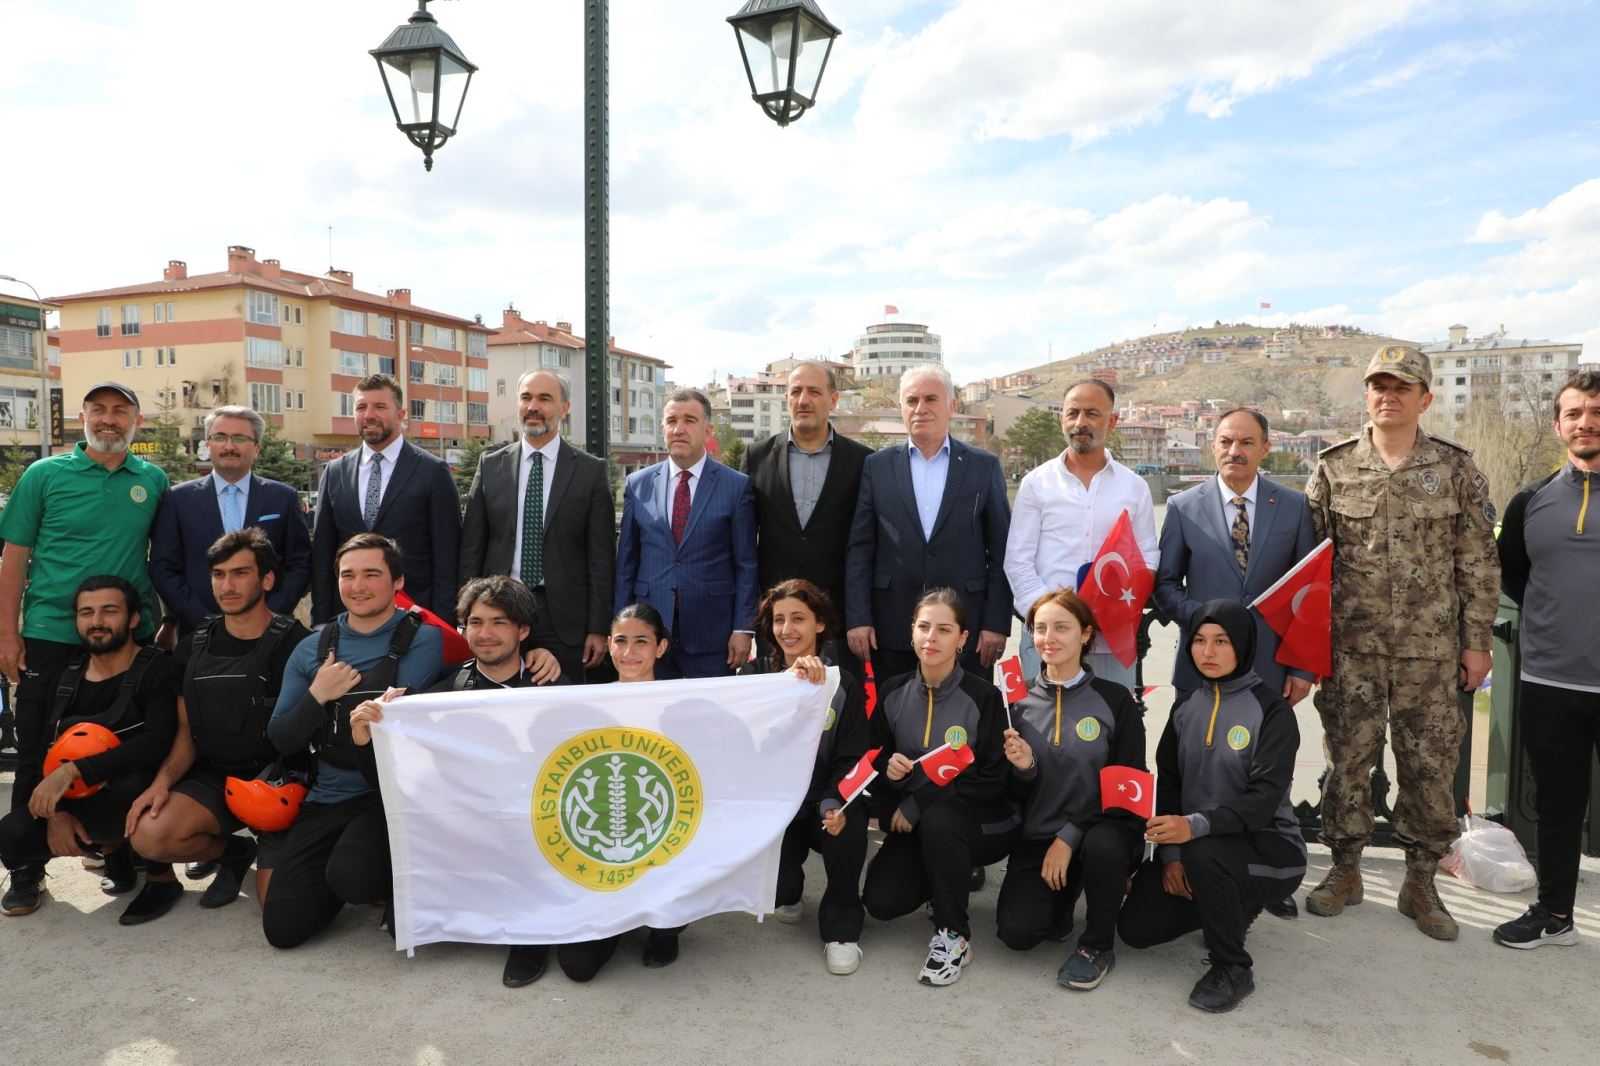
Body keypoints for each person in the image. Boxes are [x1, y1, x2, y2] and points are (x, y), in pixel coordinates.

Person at [1304, 345, 1500, 939]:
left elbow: (1478, 562)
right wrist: (1310, 647)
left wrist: (1477, 642)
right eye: (1378, 385)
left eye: (1402, 387)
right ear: (1366, 395)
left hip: (1432, 652)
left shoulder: (1455, 469)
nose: (1388, 394)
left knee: (1430, 766)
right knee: (1347, 762)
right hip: (1351, 651)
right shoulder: (1333, 468)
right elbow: (1310, 567)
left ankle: (1421, 881)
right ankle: (1346, 868)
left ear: (1425, 398)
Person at [348, 575, 571, 985]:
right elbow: (398, 781)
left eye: (499, 622)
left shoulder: (555, 685)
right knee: (383, 906)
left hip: (539, 824)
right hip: (470, 827)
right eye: (475, 622)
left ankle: (530, 936)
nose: (485, 634)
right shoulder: (440, 694)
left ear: (523, 630)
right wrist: (367, 738)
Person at [0, 382, 169, 916]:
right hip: (52, 635)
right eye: (99, 409)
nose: (110, 419)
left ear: (136, 420)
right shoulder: (44, 475)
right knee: (36, 752)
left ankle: (118, 850)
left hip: (128, 638)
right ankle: (27, 868)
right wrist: (8, 633)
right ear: (82, 417)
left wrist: (161, 625)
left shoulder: (154, 480)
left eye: (120, 410)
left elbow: (161, 558)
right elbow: (14, 558)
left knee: (123, 747)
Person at [1117, 600, 1306, 1013]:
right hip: (1198, 847)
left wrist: (1191, 831)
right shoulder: (1186, 706)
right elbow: (1168, 784)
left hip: (1271, 851)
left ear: (1242, 644)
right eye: (1199, 641)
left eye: (1221, 641)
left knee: (1206, 854)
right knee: (1136, 928)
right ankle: (1231, 906)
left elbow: (1260, 804)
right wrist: (1169, 857)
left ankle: (1233, 968)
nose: (1208, 652)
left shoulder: (1272, 711)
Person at [260, 533, 443, 949]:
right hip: (327, 795)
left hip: (388, 796)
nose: (358, 586)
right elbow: (283, 737)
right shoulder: (311, 649)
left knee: (354, 877)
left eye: (371, 574)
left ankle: (393, 879)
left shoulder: (424, 639)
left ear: (398, 581)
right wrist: (317, 695)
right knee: (283, 929)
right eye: (348, 575)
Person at [124, 529, 311, 917]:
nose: (227, 585)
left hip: (279, 786)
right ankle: (235, 851)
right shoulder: (194, 643)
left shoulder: (298, 643)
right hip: (216, 780)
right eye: (219, 574)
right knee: (150, 836)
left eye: (240, 573)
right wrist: (161, 785)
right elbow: (184, 731)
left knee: (281, 907)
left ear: (268, 579)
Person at [860, 588, 1018, 987]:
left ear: (962, 638)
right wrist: (886, 766)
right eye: (924, 627)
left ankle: (954, 937)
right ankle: (945, 876)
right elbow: (871, 757)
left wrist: (920, 803)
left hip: (981, 822)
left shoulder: (984, 697)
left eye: (944, 629)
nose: (932, 638)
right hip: (921, 824)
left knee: (942, 820)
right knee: (881, 902)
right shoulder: (893, 691)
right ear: (911, 632)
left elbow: (994, 778)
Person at [1491, 369, 1600, 949]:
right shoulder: (1531, 499)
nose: (1586, 423)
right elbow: (1517, 574)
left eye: (1597, 412)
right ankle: (1555, 914)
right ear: (1559, 424)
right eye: (1575, 413)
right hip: (1550, 680)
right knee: (1557, 808)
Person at [0, 577, 179, 922]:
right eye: (86, 613)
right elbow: (44, 750)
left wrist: (74, 770)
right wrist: (55, 813)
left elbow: (157, 741)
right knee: (13, 834)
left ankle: (161, 877)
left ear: (133, 619)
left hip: (143, 796)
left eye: (109, 610)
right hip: (85, 802)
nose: (96, 621)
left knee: (134, 781)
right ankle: (114, 854)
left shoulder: (156, 667)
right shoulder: (66, 675)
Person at [995, 589, 1144, 991]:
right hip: (1039, 837)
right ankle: (1066, 896)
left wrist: (1071, 834)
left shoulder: (1115, 701)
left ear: (1085, 635)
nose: (1049, 638)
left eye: (1062, 627)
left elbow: (1128, 784)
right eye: (1040, 628)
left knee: (1103, 847)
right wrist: (1025, 769)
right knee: (1018, 934)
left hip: (1102, 830)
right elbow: (1005, 791)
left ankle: (1097, 945)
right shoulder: (1016, 702)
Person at [846, 366, 1012, 682]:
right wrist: (858, 618)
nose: (920, 408)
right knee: (895, 724)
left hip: (967, 631)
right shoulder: (876, 467)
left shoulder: (983, 466)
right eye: (911, 400)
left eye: (931, 398)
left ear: (952, 405)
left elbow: (1002, 551)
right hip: (892, 627)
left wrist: (996, 623)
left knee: (965, 726)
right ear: (901, 408)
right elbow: (860, 548)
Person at [739, 578, 870, 975]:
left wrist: (833, 802)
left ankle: (842, 931)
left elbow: (852, 756)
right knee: (778, 894)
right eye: (779, 620)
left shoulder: (842, 682)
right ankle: (789, 893)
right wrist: (788, 685)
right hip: (778, 805)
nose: (787, 630)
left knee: (849, 823)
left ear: (819, 624)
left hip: (823, 800)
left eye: (799, 618)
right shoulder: (753, 677)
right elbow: (743, 748)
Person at [557, 604, 688, 980]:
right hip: (602, 853)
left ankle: (667, 927)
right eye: (620, 641)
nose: (629, 653)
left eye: (641, 642)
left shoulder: (685, 702)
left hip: (664, 842)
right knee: (577, 968)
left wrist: (800, 680)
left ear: (661, 648)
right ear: (608, 645)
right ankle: (618, 913)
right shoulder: (587, 703)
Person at [1155, 407, 1318, 707]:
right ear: (1213, 445)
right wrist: (1206, 623)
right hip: (1200, 665)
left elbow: (1310, 593)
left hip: (1271, 670)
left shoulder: (1294, 507)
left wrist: (1302, 667)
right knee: (1195, 752)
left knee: (1266, 753)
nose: (1234, 451)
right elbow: (1165, 584)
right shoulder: (1182, 507)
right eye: (1226, 442)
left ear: (1265, 447)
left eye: (1246, 442)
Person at [459, 371, 615, 683]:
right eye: (526, 398)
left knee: (563, 712)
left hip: (565, 619)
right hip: (498, 609)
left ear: (564, 408)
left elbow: (601, 557)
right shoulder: (491, 465)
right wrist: (466, 618)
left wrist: (598, 627)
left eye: (544, 399)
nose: (533, 406)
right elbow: (472, 546)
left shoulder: (590, 472)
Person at [1003, 379, 1157, 690]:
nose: (1080, 423)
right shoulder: (1036, 483)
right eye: (1072, 413)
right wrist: (1051, 620)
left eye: (1092, 413)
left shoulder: (1134, 487)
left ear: (1111, 422)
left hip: (1109, 637)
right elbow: (1017, 560)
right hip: (1046, 641)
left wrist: (1117, 612)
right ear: (1062, 418)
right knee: (1036, 730)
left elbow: (1147, 557)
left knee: (1112, 727)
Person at [614, 389, 758, 679]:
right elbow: (626, 563)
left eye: (690, 420)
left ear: (707, 429)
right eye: (671, 421)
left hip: (712, 634)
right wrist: (620, 628)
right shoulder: (637, 484)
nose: (679, 429)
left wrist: (743, 628)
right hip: (648, 633)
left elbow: (746, 564)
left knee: (709, 720)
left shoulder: (735, 486)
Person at [741, 363, 873, 679]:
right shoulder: (757, 457)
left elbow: (867, 544)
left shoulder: (863, 461)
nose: (804, 400)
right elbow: (744, 544)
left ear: (834, 399)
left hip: (839, 622)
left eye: (814, 391)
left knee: (837, 715)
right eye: (796, 391)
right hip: (777, 623)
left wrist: (860, 616)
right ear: (786, 398)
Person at [148, 405, 313, 635]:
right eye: (220, 437)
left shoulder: (282, 498)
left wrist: (270, 615)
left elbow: (300, 564)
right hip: (198, 635)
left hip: (270, 634)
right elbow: (163, 567)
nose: (229, 446)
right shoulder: (178, 500)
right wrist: (203, 621)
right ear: (206, 445)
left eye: (239, 438)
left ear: (256, 448)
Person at [311, 374, 461, 625]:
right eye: (361, 407)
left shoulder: (433, 471)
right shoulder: (335, 472)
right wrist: (322, 622)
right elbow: (323, 555)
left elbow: (447, 558)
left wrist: (443, 624)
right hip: (348, 621)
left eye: (379, 406)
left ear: (401, 415)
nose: (368, 415)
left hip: (414, 621)